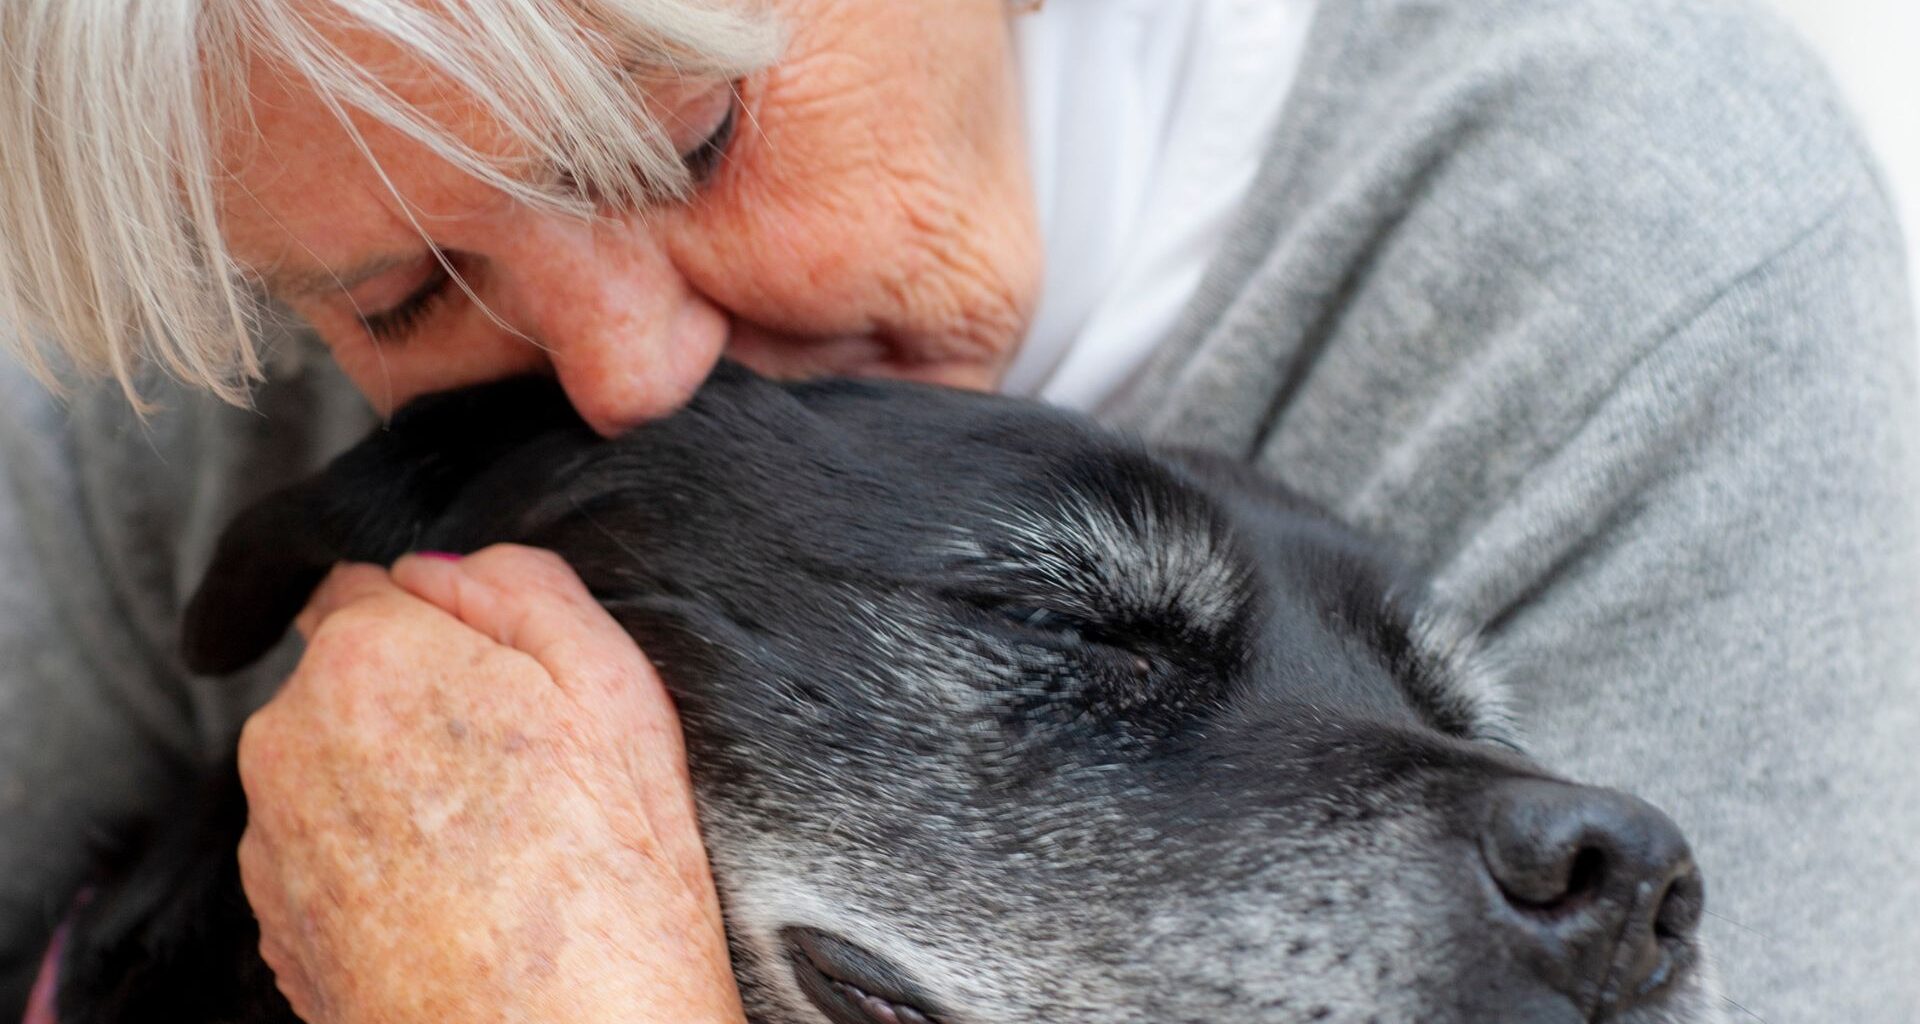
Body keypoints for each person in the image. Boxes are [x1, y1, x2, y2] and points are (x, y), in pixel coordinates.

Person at [1, 0, 1914, 1020]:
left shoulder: (1654, 263)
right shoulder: (207, 287)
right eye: (407, 299)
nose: (628, 379)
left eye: (696, 138)